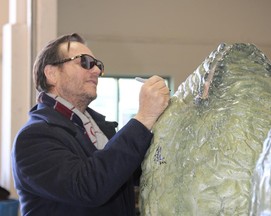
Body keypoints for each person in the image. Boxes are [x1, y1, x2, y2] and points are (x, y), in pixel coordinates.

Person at [11, 33, 170, 216]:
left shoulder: (98, 127)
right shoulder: (33, 137)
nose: (96, 71)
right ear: (52, 74)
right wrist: (144, 117)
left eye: (98, 65)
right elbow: (88, 187)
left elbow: (129, 173)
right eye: (85, 62)